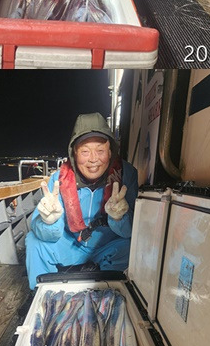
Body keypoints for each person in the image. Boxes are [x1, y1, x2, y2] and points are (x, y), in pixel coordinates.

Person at [25, 112, 138, 289]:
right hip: (71, 245)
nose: (93, 159)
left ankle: (113, 289)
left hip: (107, 246)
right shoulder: (58, 180)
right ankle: (41, 293)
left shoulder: (127, 175)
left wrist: (120, 218)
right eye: (85, 151)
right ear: (74, 153)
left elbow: (132, 230)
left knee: (133, 245)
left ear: (110, 152)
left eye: (100, 151)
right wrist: (49, 222)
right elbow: (40, 230)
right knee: (34, 241)